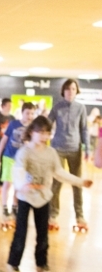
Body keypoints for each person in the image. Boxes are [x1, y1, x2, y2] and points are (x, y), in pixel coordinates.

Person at [5, 116, 92, 272]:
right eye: (41, 132)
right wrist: (23, 185)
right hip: (25, 198)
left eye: (47, 133)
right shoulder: (25, 151)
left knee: (43, 235)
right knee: (20, 234)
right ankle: (12, 264)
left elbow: (59, 172)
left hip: (43, 198)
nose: (44, 136)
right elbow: (18, 171)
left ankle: (42, 264)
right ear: (32, 132)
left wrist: (80, 182)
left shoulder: (51, 153)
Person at [48, 79, 89, 231]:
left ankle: (79, 215)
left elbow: (84, 129)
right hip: (57, 149)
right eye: (67, 89)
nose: (70, 91)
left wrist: (87, 149)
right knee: (56, 183)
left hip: (75, 149)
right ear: (63, 91)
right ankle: (53, 215)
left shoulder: (81, 108)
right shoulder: (57, 107)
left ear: (76, 91)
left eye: (73, 89)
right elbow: (47, 123)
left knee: (77, 183)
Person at [0, 102, 36, 227]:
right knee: (7, 183)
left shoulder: (33, 128)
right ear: (22, 113)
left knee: (18, 186)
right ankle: (4, 207)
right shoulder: (13, 124)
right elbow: (4, 140)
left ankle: (14, 207)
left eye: (32, 113)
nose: (29, 116)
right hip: (9, 157)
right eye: (27, 113)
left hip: (22, 161)